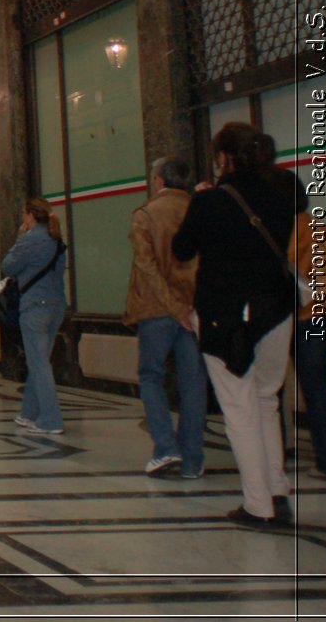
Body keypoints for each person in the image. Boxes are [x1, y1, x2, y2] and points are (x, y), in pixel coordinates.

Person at [174, 122, 301, 529]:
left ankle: (257, 504)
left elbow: (181, 250)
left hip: (226, 315)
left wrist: (199, 202)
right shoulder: (281, 196)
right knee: (267, 399)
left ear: (224, 157)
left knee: (240, 408)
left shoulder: (211, 201)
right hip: (277, 310)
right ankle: (277, 491)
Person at [124, 157, 205, 479]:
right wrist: (187, 307)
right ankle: (193, 458)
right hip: (193, 309)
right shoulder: (199, 211)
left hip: (156, 309)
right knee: (194, 383)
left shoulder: (145, 215)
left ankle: (165, 448)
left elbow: (146, 266)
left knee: (151, 376)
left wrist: (173, 306)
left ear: (158, 181)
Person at [2, 198, 68, 434]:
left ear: (30, 215)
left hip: (35, 307)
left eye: (23, 213)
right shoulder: (57, 241)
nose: (22, 218)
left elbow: (8, 266)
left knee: (38, 363)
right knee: (39, 360)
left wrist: (20, 239)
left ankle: (51, 419)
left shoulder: (29, 240)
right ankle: (29, 412)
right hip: (56, 304)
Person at [289, 207, 326, 480]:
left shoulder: (290, 231)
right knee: (321, 386)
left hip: (307, 317)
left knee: (314, 387)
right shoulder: (319, 227)